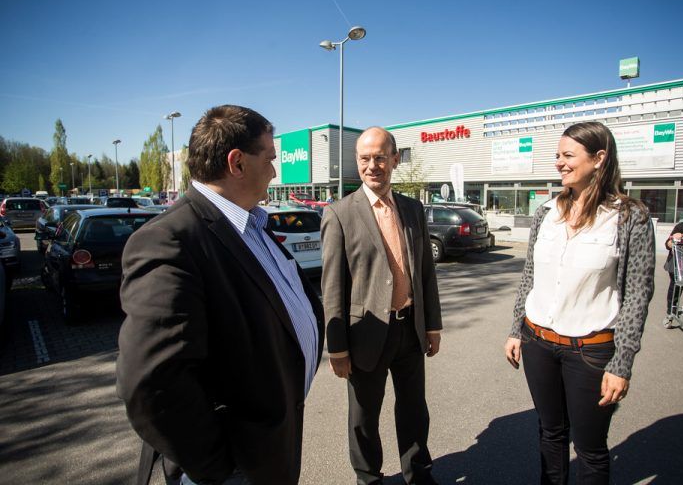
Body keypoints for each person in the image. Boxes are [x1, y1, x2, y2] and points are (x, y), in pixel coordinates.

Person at [117, 105, 324, 485]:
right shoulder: (170, 239)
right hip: (235, 466)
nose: (274, 171)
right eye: (269, 159)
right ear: (237, 163)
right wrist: (220, 470)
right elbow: (152, 383)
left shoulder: (251, 222)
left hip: (271, 445)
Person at [504, 121, 656, 484]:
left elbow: (638, 295)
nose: (559, 162)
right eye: (557, 155)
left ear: (599, 158)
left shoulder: (629, 217)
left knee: (590, 448)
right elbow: (530, 276)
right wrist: (515, 329)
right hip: (537, 342)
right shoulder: (546, 213)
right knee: (550, 433)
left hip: (591, 351)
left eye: (568, 155)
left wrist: (622, 363)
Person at [321, 127, 442, 485]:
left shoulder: (412, 208)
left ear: (395, 159)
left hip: (410, 329)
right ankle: (368, 479)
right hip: (366, 334)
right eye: (364, 158)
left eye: (379, 157)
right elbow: (332, 287)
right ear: (357, 161)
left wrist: (432, 325)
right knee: (363, 418)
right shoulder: (339, 213)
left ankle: (418, 475)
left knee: (414, 411)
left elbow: (425, 271)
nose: (372, 165)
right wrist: (337, 348)